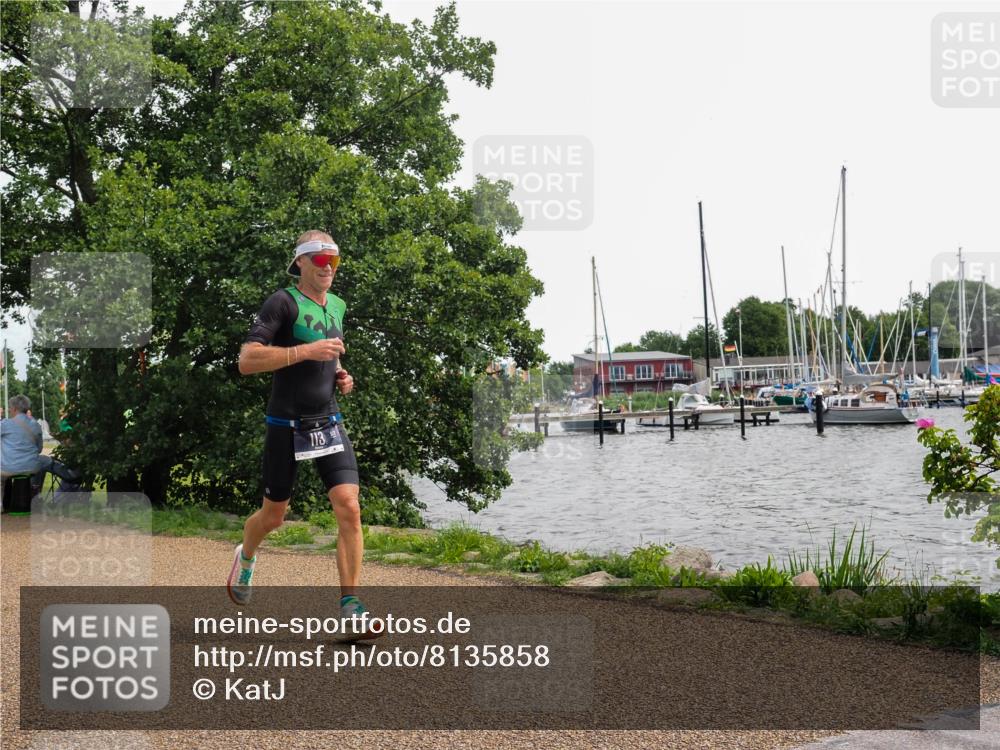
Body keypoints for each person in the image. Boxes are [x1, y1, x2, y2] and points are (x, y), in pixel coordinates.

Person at [230, 230, 373, 630]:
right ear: (301, 262)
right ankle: (246, 556)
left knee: (349, 505)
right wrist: (306, 351)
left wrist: (341, 374)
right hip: (286, 423)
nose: (329, 267)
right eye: (321, 259)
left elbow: (330, 357)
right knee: (273, 516)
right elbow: (247, 360)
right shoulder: (283, 302)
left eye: (334, 260)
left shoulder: (338, 306)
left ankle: (351, 607)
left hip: (327, 420)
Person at [1, 395, 80, 501]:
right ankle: (36, 492)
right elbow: (39, 449)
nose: (9, 410)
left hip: (7, 467)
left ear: (14, 409)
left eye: (10, 408)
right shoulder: (36, 425)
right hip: (30, 466)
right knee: (42, 461)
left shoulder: (4, 424)